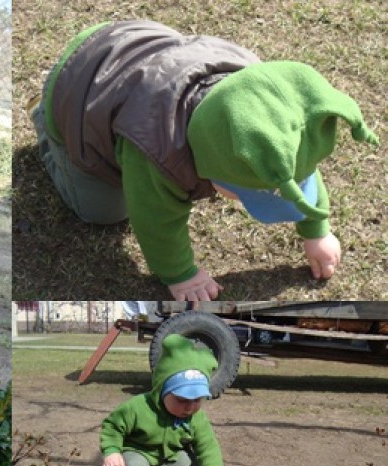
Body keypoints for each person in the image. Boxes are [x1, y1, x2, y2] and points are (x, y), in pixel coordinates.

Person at [31, 20, 379, 301]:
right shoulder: (157, 151)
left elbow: (296, 164)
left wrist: (317, 230)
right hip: (78, 83)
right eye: (246, 193)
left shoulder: (262, 103)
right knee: (104, 211)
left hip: (130, 41)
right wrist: (181, 275)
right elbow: (155, 219)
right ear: (210, 167)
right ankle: (46, 123)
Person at [100, 334, 229, 466]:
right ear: (162, 390)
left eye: (197, 400)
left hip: (169, 457)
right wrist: (112, 451)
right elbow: (113, 426)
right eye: (182, 399)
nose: (190, 407)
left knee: (185, 462)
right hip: (138, 452)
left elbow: (208, 447)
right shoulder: (138, 407)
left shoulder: (196, 418)